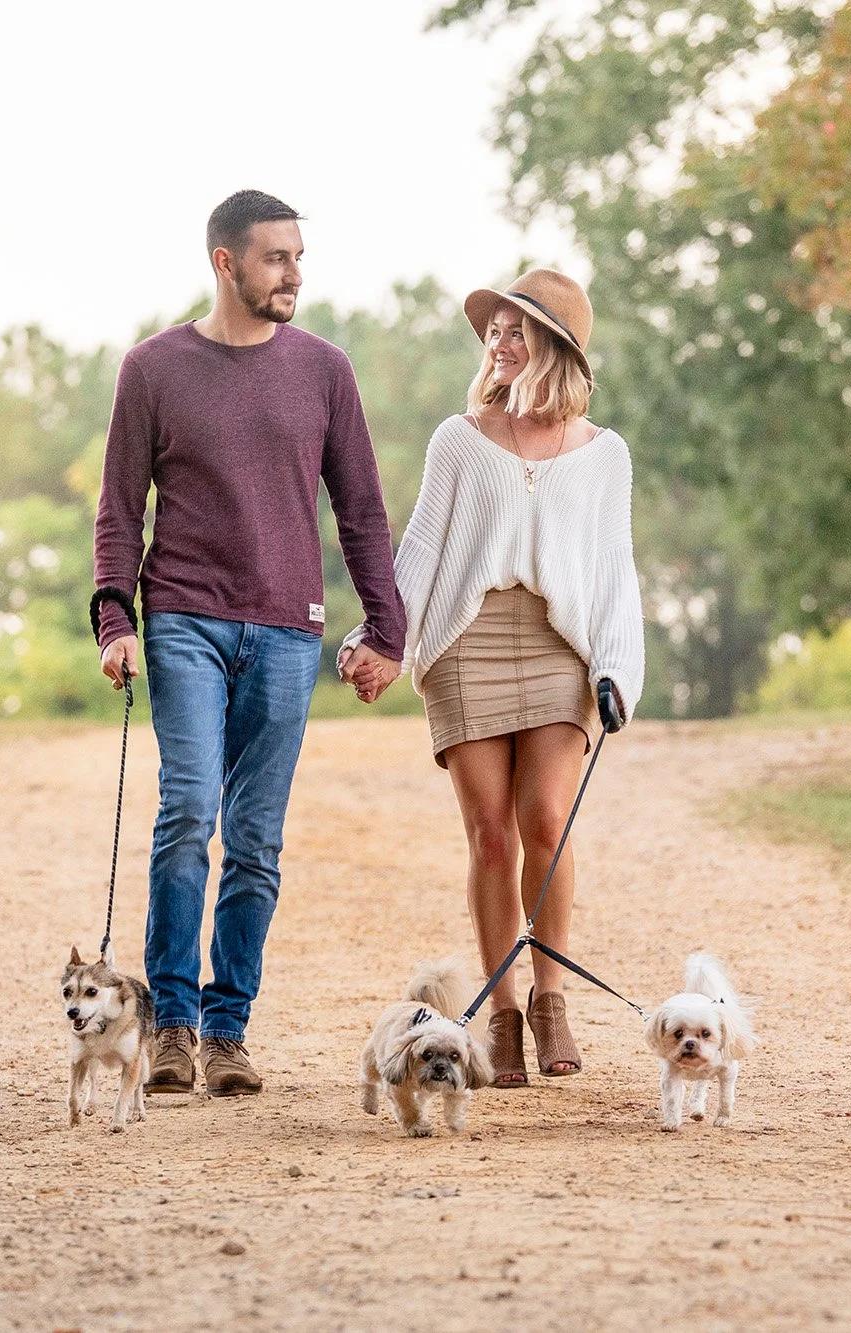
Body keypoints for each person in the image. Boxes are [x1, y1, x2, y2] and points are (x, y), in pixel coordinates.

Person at [93, 190, 405, 1098]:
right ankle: (174, 1030)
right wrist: (115, 619)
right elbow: (119, 507)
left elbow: (363, 510)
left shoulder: (325, 371)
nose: (295, 276)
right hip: (184, 615)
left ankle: (228, 1032)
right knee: (189, 808)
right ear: (226, 263)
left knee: (258, 839)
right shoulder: (152, 369)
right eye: (276, 258)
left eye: (299, 257)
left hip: (284, 629)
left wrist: (386, 629)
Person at [342, 268, 644, 1087]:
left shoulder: (605, 455)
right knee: (490, 834)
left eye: (515, 331)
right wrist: (382, 640)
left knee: (546, 818)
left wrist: (618, 668)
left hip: (560, 645)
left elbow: (614, 570)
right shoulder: (459, 439)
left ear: (553, 347)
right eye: (493, 333)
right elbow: (423, 552)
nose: (497, 344)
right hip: (468, 644)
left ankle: (552, 998)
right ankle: (501, 1014)